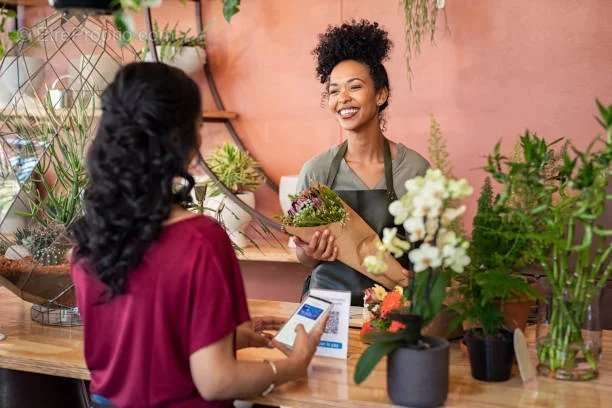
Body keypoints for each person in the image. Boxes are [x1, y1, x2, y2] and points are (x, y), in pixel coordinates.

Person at [71, 62, 326, 408]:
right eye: (197, 126)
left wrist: (230, 337)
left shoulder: (88, 242)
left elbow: (142, 341)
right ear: (181, 142)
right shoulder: (200, 241)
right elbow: (216, 381)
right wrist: (292, 365)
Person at [296, 20, 429, 306]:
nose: (342, 98)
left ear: (381, 94)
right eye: (333, 91)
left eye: (354, 87)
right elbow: (302, 256)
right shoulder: (317, 172)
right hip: (330, 309)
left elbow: (430, 256)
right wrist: (311, 252)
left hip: (394, 311)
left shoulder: (415, 171)